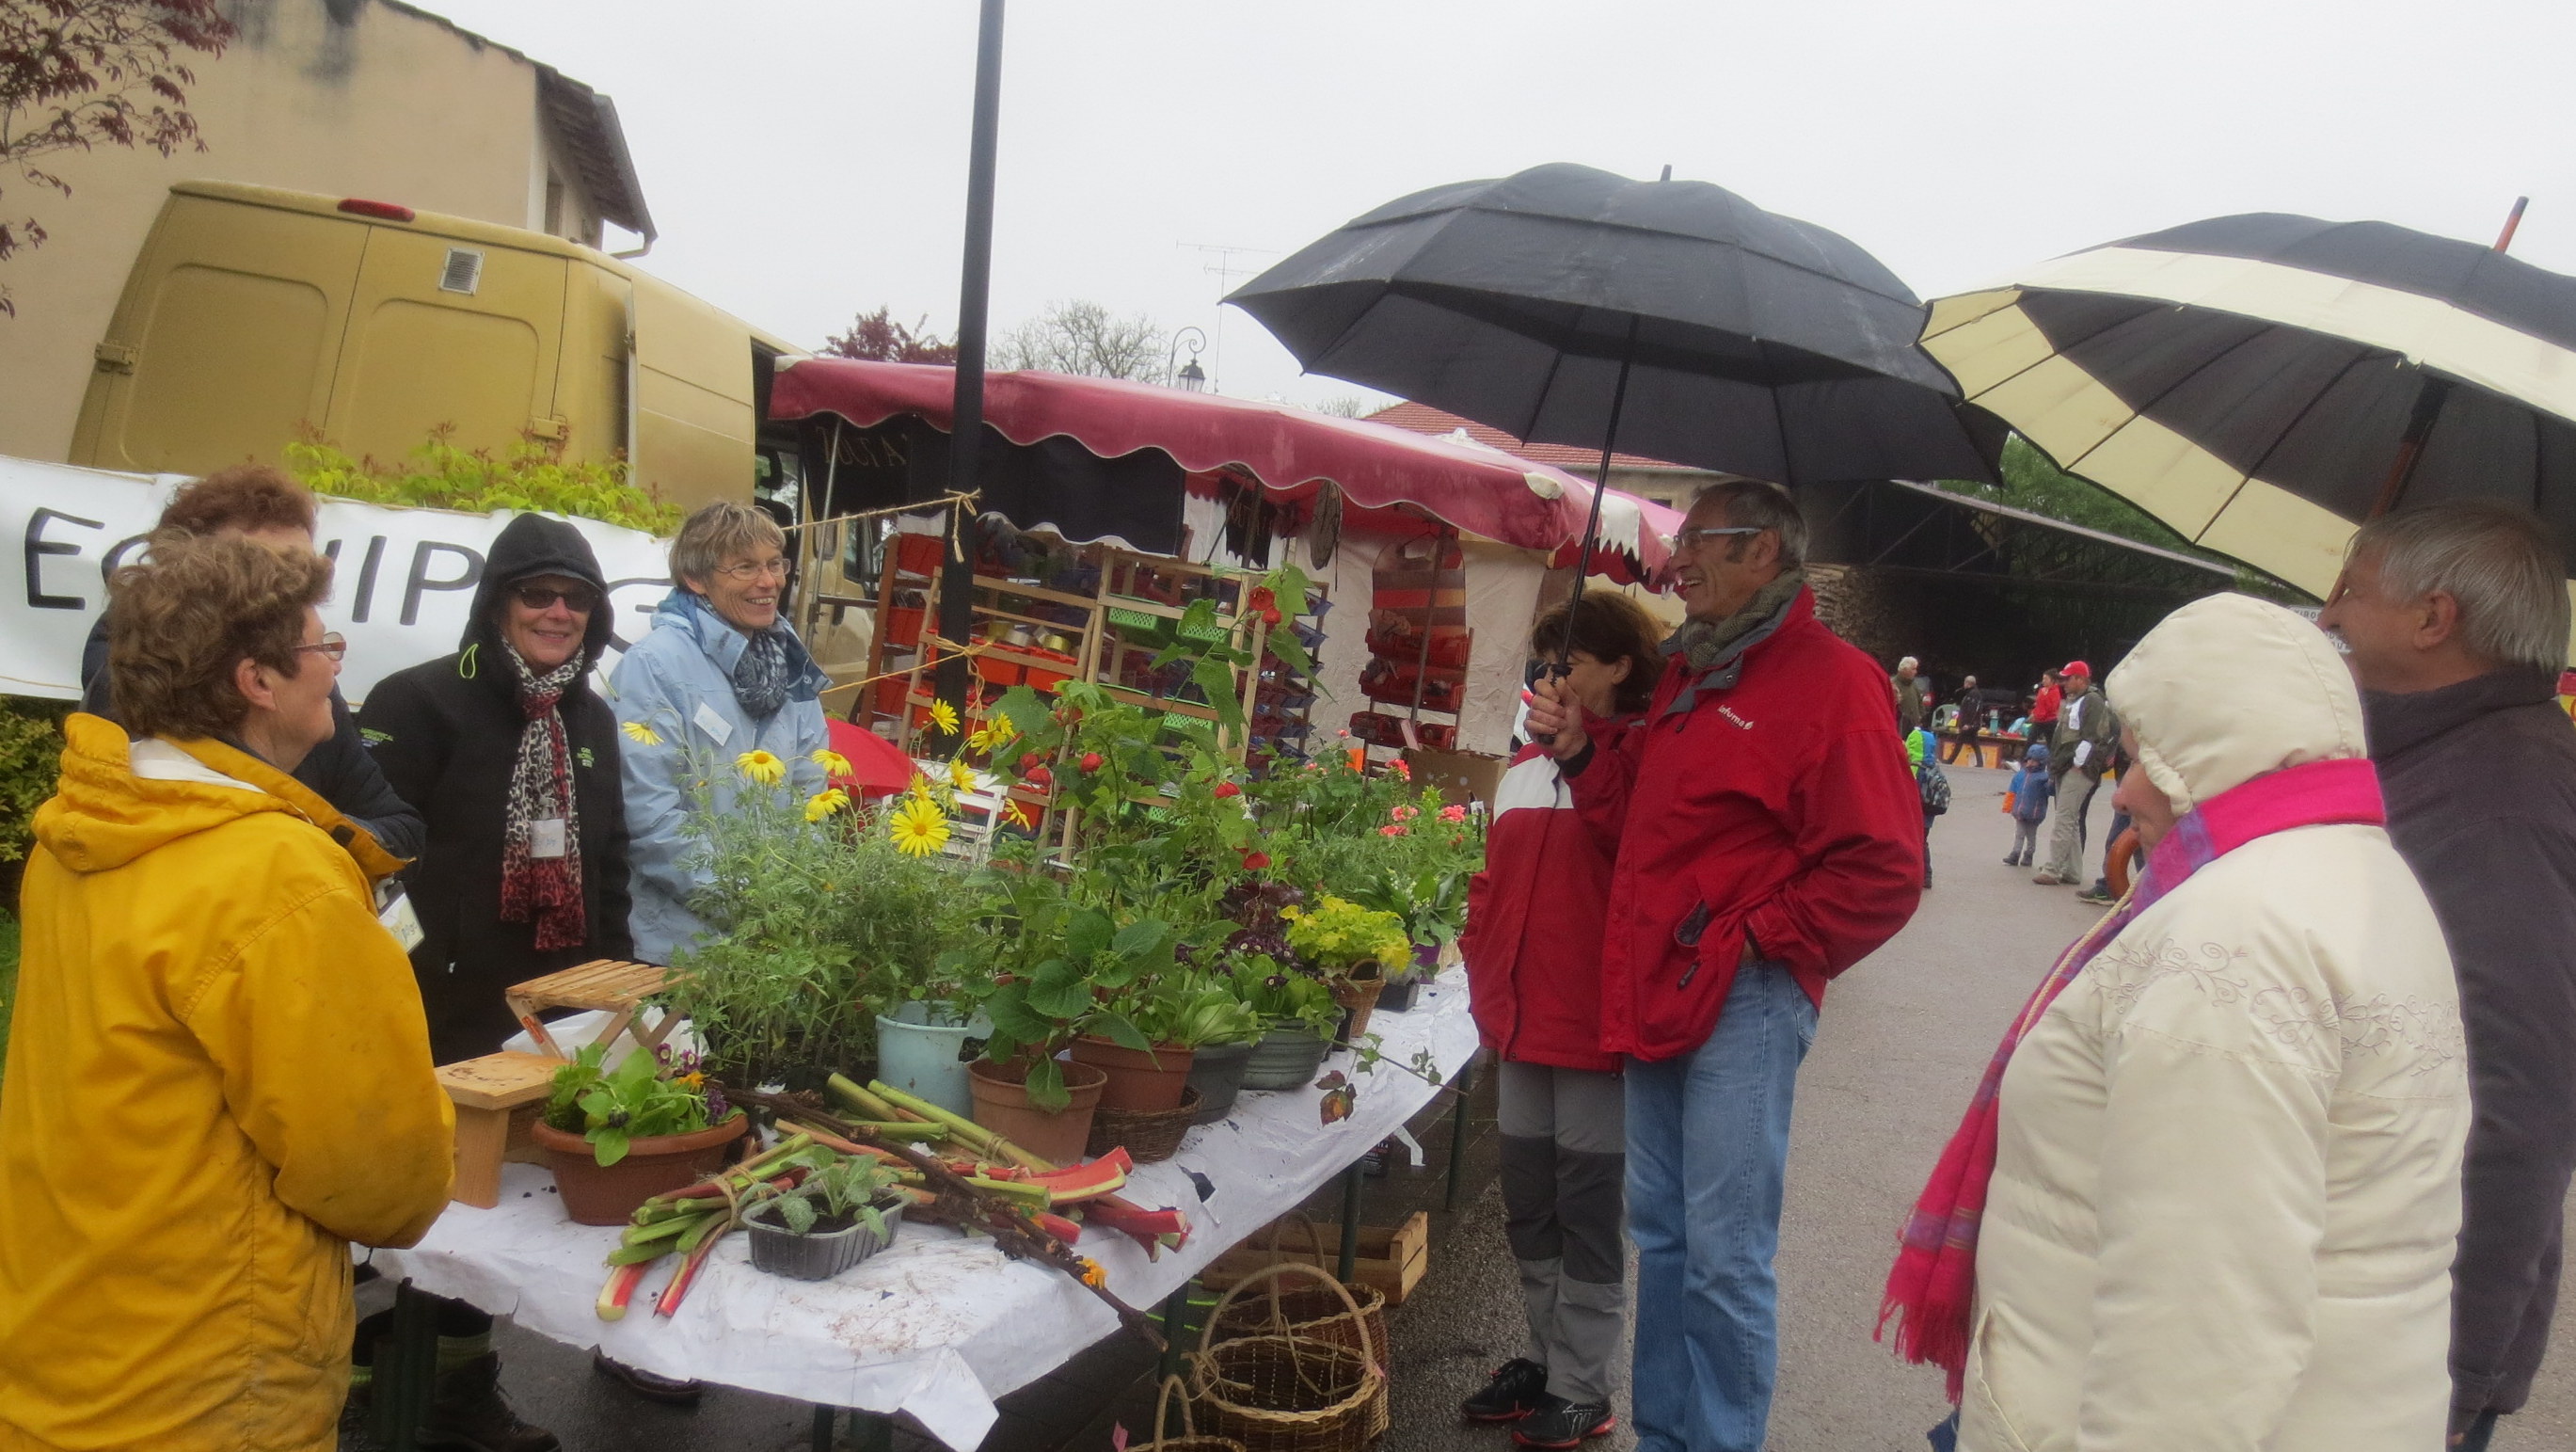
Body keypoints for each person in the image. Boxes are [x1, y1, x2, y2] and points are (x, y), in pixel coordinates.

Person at [1881, 592, 2468, 1452]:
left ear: (2215, 750)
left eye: (2144, 755)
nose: (2123, 787)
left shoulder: (2237, 931)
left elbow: (2202, 1319)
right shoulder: (2366, 874)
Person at [0, 535, 453, 1452]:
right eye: (324, 647)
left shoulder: (81, 830)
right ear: (256, 679)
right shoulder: (278, 874)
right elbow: (377, 1175)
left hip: (66, 1342)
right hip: (206, 1376)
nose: (336, 668)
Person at [1524, 479, 1923, 1452]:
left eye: (1703, 539)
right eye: (1682, 539)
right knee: (1661, 1239)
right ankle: (1665, 1434)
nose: (1677, 558)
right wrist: (1581, 755)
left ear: (1765, 553)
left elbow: (1885, 868)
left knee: (1724, 1257)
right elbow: (1639, 838)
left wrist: (1757, 935)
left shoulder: (1833, 682)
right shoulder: (1686, 677)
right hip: (1660, 983)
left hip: (1742, 996)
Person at [354, 514, 645, 1447]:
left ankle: (460, 1384)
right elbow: (365, 856)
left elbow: (607, 862)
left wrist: (613, 990)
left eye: (576, 598)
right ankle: (370, 1385)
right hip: (426, 1003)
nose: (557, 612)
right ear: (497, 604)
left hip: (539, 1016)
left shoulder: (591, 718)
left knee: (497, 1213)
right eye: (537, 593)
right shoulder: (419, 700)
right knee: (416, 1207)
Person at [2316, 501, 2576, 1452]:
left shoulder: (2500, 793)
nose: (2326, 615)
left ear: (2432, 619)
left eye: (2349, 587)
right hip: (2346, 1297)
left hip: (2388, 1349)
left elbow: (2518, 1095)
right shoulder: (2437, 754)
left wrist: (2451, 1370)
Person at [1459, 593, 1666, 1448]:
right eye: (1546, 664)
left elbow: (1638, 854)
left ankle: (1585, 1382)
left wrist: (1583, 756)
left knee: (1586, 1214)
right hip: (1521, 1024)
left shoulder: (1643, 760)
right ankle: (1549, 1362)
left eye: (1571, 661)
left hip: (1591, 1035)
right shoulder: (1518, 771)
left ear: (1619, 667)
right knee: (1529, 1206)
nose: (1553, 678)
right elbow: (1490, 887)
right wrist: (1479, 970)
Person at [75, 464, 423, 859]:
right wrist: (289, 839)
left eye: (301, 571)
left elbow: (399, 827)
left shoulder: (308, 682)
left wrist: (306, 835)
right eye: (261, 570)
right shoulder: (132, 684)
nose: (290, 591)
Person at [613, 501, 829, 964]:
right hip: (680, 946)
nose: (768, 582)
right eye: (745, 568)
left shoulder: (789, 663)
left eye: (775, 564)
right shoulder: (655, 664)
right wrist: (746, 900)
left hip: (774, 943)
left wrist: (800, 892)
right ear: (696, 579)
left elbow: (811, 794)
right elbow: (649, 817)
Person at [2033, 661, 2113, 886]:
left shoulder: (2092, 701)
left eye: (2068, 678)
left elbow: (2092, 736)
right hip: (2069, 765)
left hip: (2077, 767)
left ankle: (2053, 869)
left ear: (2080, 679)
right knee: (2072, 819)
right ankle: (2072, 870)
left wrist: (2078, 762)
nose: (2063, 682)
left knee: (2064, 819)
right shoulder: (2078, 700)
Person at [2002, 741, 2051, 869]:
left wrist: (2052, 782)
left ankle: (2029, 854)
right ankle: (2015, 854)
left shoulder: (2044, 777)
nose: (2030, 763)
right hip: (2020, 811)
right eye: (2029, 760)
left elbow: (2050, 792)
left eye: (2034, 761)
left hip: (2034, 814)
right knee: (2019, 834)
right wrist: (2008, 806)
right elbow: (2012, 791)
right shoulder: (2020, 775)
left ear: (2041, 763)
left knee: (2031, 835)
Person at [1939, 675, 1987, 765]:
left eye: (1965, 682)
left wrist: (1968, 724)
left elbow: (1972, 710)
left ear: (1968, 683)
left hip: (1969, 724)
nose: (1964, 685)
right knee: (1974, 743)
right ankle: (1980, 763)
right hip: (1971, 724)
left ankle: (1950, 761)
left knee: (1959, 742)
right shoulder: (1972, 694)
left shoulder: (1973, 695)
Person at [2026, 669, 2062, 752]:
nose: (2043, 681)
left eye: (2046, 679)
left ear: (2052, 680)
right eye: (2043, 679)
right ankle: (2023, 760)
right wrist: (2034, 714)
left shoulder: (2055, 692)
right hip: (2039, 720)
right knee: (2030, 741)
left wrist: (2045, 698)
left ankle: (2051, 762)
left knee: (2051, 744)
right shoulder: (2042, 690)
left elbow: (2052, 708)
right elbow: (2038, 704)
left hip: (2049, 721)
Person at [1893, 655, 1926, 732]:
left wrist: (1921, 718)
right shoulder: (1893, 685)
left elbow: (1920, 702)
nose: (1916, 672)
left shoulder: (1914, 685)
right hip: (1900, 729)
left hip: (1915, 728)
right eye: (1913, 669)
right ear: (1905, 670)